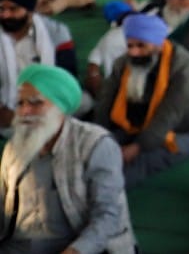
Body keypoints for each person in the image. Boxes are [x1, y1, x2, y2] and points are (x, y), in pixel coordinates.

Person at [0, 64, 136, 252]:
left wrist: (75, 251)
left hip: (76, 247)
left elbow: (108, 216)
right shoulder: (13, 148)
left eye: (35, 103)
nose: (24, 112)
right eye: (20, 103)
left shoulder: (95, 144)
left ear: (60, 106)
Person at [95, 13, 189, 187]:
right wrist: (97, 136)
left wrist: (137, 147)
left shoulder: (184, 67)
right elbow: (106, 102)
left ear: (158, 44)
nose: (134, 52)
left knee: (136, 164)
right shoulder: (123, 63)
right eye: (130, 45)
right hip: (132, 127)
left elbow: (169, 115)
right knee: (95, 153)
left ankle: (103, 192)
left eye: (141, 46)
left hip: (176, 133)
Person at [0, 0, 78, 127]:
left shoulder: (57, 33)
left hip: (45, 99)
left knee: (83, 103)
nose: (5, 15)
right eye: (2, 9)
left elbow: (66, 76)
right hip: (5, 104)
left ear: (30, 12)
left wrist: (42, 106)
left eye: (13, 9)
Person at [86, 1, 135, 97]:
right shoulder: (139, 34)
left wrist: (94, 77)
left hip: (112, 90)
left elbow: (93, 61)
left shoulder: (109, 36)